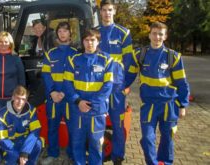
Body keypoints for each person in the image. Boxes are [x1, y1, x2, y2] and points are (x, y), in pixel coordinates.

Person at [125, 22, 190, 165]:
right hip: (148, 105)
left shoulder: (173, 57)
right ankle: (152, 163)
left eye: (161, 34)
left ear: (165, 36)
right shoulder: (139, 54)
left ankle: (165, 162)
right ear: (149, 35)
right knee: (147, 138)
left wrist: (183, 105)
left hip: (169, 105)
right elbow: (128, 76)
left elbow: (182, 83)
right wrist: (120, 88)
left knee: (167, 138)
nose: (157, 37)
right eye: (154, 33)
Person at [63, 29, 117, 165]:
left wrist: (91, 104)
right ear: (82, 42)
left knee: (96, 144)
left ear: (98, 41)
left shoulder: (107, 60)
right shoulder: (73, 60)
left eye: (92, 40)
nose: (89, 43)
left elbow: (108, 86)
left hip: (96, 112)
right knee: (77, 143)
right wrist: (78, 101)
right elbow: (67, 84)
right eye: (86, 40)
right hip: (77, 110)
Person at [98, 1, 134, 164]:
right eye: (104, 10)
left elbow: (130, 61)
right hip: (97, 86)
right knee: (97, 121)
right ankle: (96, 154)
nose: (107, 13)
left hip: (117, 87)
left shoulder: (123, 33)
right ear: (100, 12)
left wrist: (125, 84)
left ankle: (118, 156)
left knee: (117, 123)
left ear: (114, 11)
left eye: (110, 10)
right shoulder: (95, 33)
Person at [41, 22, 78, 164]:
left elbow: (77, 77)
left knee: (73, 129)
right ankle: (53, 154)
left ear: (70, 33)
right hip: (53, 99)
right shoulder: (50, 53)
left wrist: (63, 93)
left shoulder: (76, 54)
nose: (62, 34)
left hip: (69, 99)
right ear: (57, 34)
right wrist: (52, 93)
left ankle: (73, 155)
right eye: (60, 31)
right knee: (52, 127)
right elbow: (46, 74)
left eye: (65, 31)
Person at [0, 85, 42, 165]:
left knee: (38, 143)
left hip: (24, 141)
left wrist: (25, 151)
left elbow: (35, 131)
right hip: (9, 145)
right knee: (14, 157)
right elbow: (3, 139)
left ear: (26, 100)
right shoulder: (1, 115)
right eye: (17, 98)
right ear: (13, 97)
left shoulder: (32, 111)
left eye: (23, 99)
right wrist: (17, 154)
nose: (20, 102)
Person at [0, 31, 26, 112]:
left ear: (10, 43)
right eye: (1, 41)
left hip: (12, 98)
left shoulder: (16, 59)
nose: (3, 44)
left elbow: (21, 80)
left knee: (10, 121)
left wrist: (20, 96)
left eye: (6, 42)